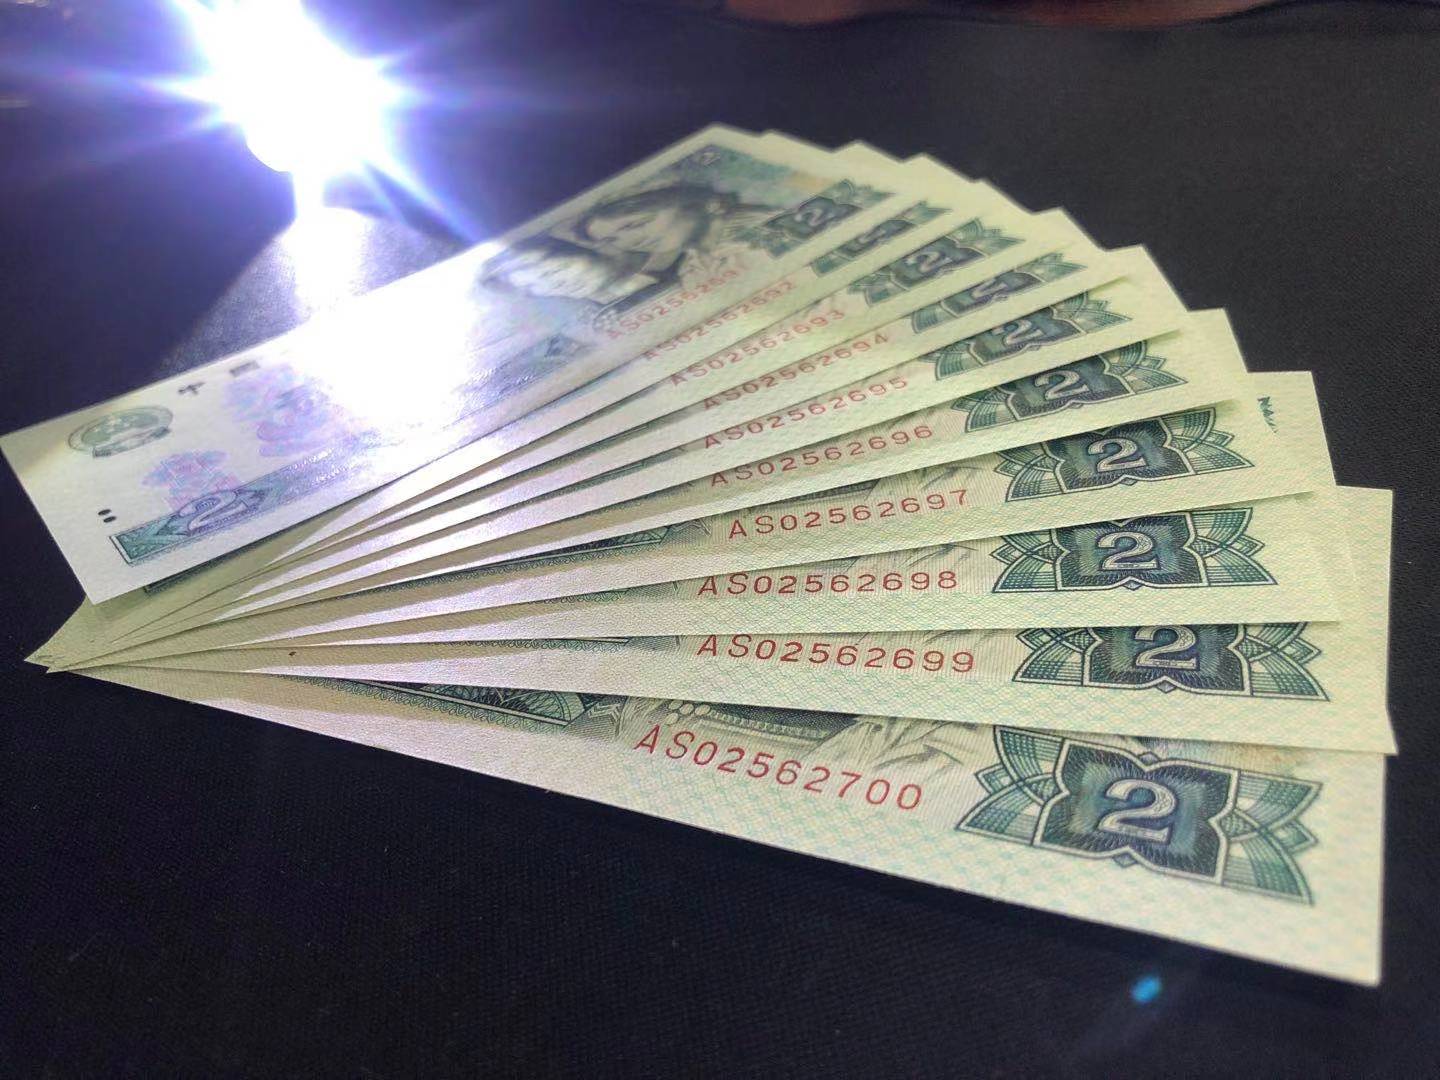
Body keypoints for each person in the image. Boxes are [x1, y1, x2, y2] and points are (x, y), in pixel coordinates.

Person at [574, 182, 777, 294]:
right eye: (612, 240)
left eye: (636, 224)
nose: (631, 241)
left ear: (704, 204)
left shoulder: (766, 226)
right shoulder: (688, 263)